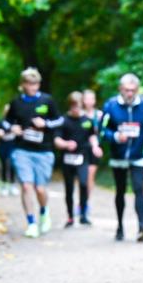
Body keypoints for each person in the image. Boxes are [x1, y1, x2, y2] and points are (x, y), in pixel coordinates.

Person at [100, 74, 143, 242]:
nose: (130, 93)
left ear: (137, 90)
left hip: (139, 154)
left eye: (133, 90)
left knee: (138, 189)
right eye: (126, 90)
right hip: (118, 155)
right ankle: (120, 227)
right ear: (120, 89)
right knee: (120, 191)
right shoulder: (111, 106)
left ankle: (141, 228)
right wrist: (114, 136)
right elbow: (101, 131)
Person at [6, 67, 64, 238]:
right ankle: (31, 222)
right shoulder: (16, 103)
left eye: (36, 84)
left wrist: (45, 124)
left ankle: (44, 213)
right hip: (22, 149)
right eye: (29, 84)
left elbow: (60, 120)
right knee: (26, 185)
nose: (33, 87)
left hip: (44, 151)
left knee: (40, 189)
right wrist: (12, 128)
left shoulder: (47, 101)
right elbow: (6, 122)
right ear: (23, 85)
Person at [55, 91, 102, 227]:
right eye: (73, 106)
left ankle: (83, 215)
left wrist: (95, 146)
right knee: (69, 188)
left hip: (83, 157)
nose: (76, 108)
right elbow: (56, 139)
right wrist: (65, 144)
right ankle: (70, 217)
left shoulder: (87, 121)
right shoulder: (63, 120)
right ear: (70, 106)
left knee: (83, 183)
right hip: (67, 159)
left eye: (78, 105)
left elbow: (92, 136)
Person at [82, 89, 104, 218]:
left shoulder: (99, 115)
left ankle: (86, 202)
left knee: (90, 176)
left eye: (91, 99)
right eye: (86, 98)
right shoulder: (78, 114)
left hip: (95, 148)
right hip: (81, 149)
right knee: (82, 178)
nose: (89, 101)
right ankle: (82, 201)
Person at [0, 108, 18, 196]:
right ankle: (4, 186)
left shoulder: (16, 122)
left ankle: (12, 185)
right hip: (3, 146)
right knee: (4, 165)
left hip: (14, 146)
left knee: (13, 164)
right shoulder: (0, 123)